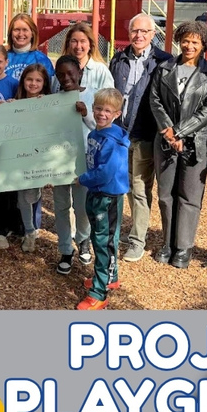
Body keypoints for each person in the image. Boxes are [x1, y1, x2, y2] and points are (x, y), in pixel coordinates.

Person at [149, 21, 207, 268]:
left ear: (203, 45)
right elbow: (155, 100)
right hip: (165, 142)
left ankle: (183, 247)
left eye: (195, 42)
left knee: (189, 196)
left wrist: (179, 132)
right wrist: (168, 132)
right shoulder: (164, 68)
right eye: (186, 40)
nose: (190, 45)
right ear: (179, 40)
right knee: (166, 194)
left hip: (196, 144)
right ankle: (168, 242)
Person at [109, 13, 173, 263]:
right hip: (121, 133)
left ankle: (137, 240)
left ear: (153, 34)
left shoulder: (163, 61)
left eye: (144, 32)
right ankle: (136, 228)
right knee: (126, 185)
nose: (139, 36)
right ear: (129, 32)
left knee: (140, 187)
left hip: (145, 132)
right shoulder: (119, 58)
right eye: (135, 31)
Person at [76, 88, 130, 311]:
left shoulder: (113, 142)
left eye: (108, 111)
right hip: (97, 192)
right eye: (98, 108)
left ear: (116, 114)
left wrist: (82, 178)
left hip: (108, 194)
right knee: (103, 236)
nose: (102, 114)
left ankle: (99, 292)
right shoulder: (95, 134)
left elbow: (105, 172)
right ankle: (110, 276)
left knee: (103, 242)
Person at [52, 55, 95, 276]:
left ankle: (83, 241)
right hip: (59, 161)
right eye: (61, 75)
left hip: (83, 161)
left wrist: (86, 114)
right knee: (61, 206)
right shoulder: (54, 99)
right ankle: (65, 250)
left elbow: (100, 126)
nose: (66, 78)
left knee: (81, 206)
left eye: (70, 73)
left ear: (79, 72)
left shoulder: (90, 94)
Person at [15, 63, 51, 252]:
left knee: (32, 194)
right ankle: (29, 231)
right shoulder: (16, 102)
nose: (33, 83)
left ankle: (31, 228)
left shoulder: (49, 103)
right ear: (23, 81)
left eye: (38, 80)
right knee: (23, 196)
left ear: (44, 83)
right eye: (29, 79)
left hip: (40, 157)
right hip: (20, 156)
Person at [5, 13, 54, 81]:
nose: (20, 34)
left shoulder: (42, 60)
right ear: (10, 33)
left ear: (32, 33)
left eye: (25, 30)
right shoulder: (2, 58)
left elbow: (50, 87)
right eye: (16, 30)